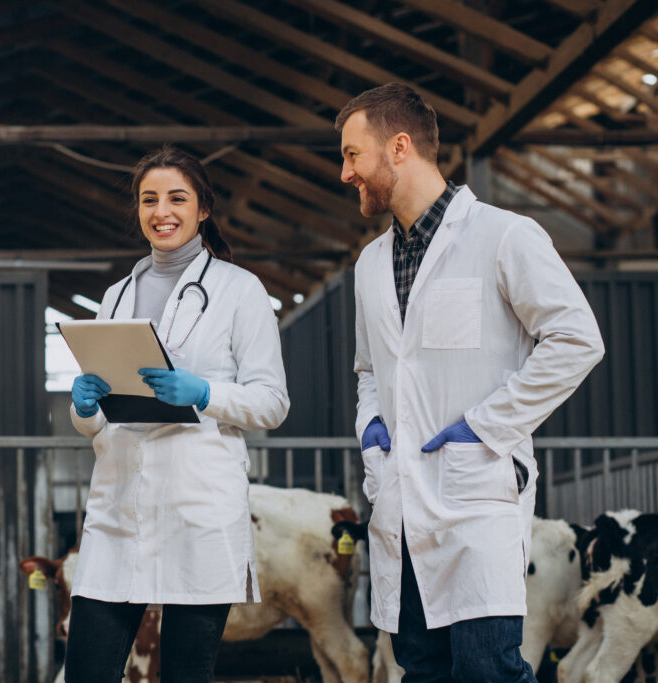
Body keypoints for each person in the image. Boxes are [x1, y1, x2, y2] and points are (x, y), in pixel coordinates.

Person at [338, 83, 604, 682]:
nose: (345, 172)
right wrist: (371, 428)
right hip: (401, 503)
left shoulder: (503, 236)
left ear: (399, 147)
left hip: (474, 493)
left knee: (489, 671)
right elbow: (368, 371)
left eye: (354, 155)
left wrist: (486, 426)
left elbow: (578, 340)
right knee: (422, 669)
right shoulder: (370, 264)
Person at [65, 145, 290, 682]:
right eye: (149, 200)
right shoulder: (116, 296)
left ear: (203, 209)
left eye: (176, 198)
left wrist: (204, 393)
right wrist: (85, 410)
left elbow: (273, 402)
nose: (161, 211)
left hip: (198, 511)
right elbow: (102, 424)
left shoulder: (241, 291)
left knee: (186, 676)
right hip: (119, 509)